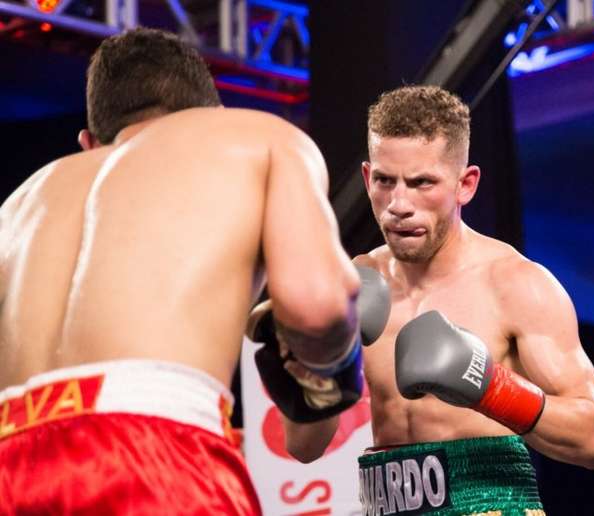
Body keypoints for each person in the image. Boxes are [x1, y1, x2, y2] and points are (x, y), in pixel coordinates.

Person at [0, 28, 363, 514]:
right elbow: (317, 305)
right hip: (151, 451)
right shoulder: (258, 136)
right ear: (210, 115)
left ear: (89, 142)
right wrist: (334, 366)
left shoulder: (20, 201)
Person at [283, 85, 594, 515]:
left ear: (466, 185)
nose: (398, 204)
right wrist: (320, 370)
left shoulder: (515, 285)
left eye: (422, 183)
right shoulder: (355, 283)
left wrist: (488, 387)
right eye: (385, 181)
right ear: (367, 178)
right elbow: (303, 448)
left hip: (491, 504)